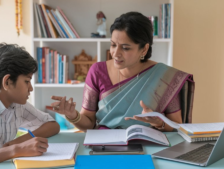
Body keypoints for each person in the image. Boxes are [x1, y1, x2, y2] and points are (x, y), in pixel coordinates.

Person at [51, 12, 194, 132]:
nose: (115, 53)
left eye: (125, 48)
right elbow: (88, 122)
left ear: (144, 49)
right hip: (104, 146)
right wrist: (72, 115)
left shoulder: (164, 77)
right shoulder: (97, 71)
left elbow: (177, 126)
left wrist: (158, 122)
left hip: (147, 147)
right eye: (113, 45)